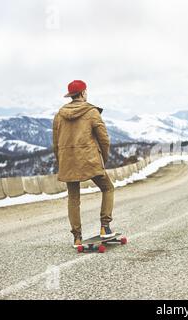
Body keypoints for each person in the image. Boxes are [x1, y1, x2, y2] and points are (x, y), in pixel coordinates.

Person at [52, 80, 116, 248]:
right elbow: (104, 139)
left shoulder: (59, 115)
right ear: (82, 93)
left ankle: (77, 237)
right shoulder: (91, 112)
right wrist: (104, 159)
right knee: (108, 188)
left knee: (73, 198)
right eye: (85, 91)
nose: (86, 93)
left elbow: (56, 144)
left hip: (68, 162)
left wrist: (62, 162)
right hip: (90, 160)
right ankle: (105, 227)